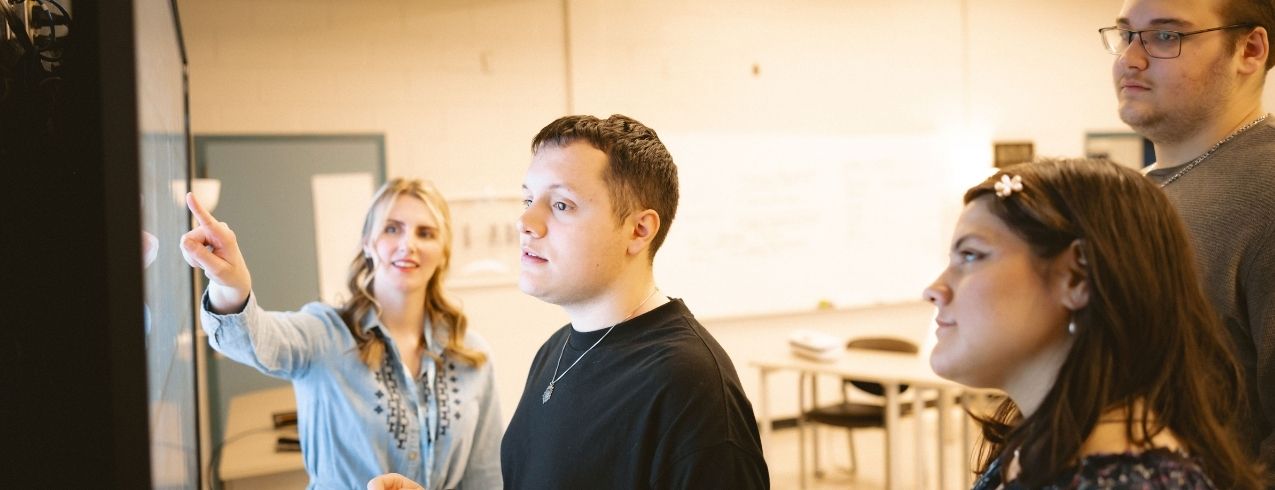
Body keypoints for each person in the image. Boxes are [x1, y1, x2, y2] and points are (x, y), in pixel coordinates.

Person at [923, 159, 1263, 489]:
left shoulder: (1130, 480)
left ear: (1076, 277)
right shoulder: (1045, 441)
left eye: (970, 255)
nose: (934, 290)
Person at [180, 178, 502, 489]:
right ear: (367, 242)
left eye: (426, 233)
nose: (409, 244)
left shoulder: (473, 357)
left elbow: (486, 477)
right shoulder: (325, 334)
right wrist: (231, 285)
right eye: (392, 228)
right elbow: (254, 338)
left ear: (443, 250)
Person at [502, 114, 768, 488]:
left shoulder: (690, 385)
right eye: (529, 198)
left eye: (561, 205)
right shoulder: (555, 350)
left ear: (639, 230)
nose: (526, 220)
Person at [1103, 0, 1275, 478]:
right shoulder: (1131, 192)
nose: (1129, 59)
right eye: (1125, 34)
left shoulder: (1268, 189)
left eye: (1165, 37)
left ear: (1250, 49)